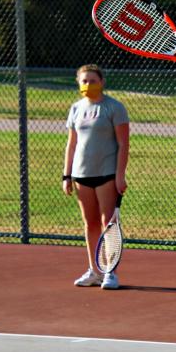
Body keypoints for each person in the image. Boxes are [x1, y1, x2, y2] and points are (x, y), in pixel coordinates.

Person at [63, 64, 129, 290]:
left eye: (92, 80)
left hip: (106, 174)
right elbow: (71, 145)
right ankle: (94, 270)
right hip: (82, 175)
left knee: (108, 223)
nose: (88, 85)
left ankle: (110, 271)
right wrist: (67, 175)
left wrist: (120, 175)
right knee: (90, 224)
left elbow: (123, 144)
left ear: (102, 82)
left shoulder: (114, 107)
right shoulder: (75, 109)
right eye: (84, 81)